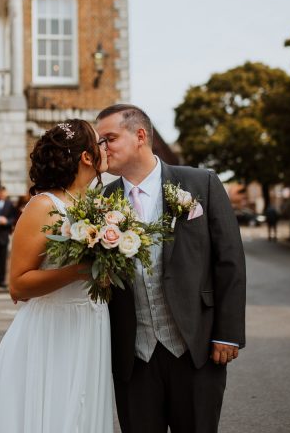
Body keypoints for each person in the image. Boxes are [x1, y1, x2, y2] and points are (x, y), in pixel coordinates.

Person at [96, 104, 246, 433]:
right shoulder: (102, 200)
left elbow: (229, 260)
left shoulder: (200, 183)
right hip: (133, 355)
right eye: (99, 142)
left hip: (196, 346)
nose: (102, 149)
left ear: (139, 136)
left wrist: (228, 334)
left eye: (109, 139)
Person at [0, 119, 112, 433]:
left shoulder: (93, 205)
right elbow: (18, 285)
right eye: (101, 143)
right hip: (54, 327)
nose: (106, 148)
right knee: (55, 413)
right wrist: (78, 271)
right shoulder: (44, 206)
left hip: (91, 321)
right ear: (87, 157)